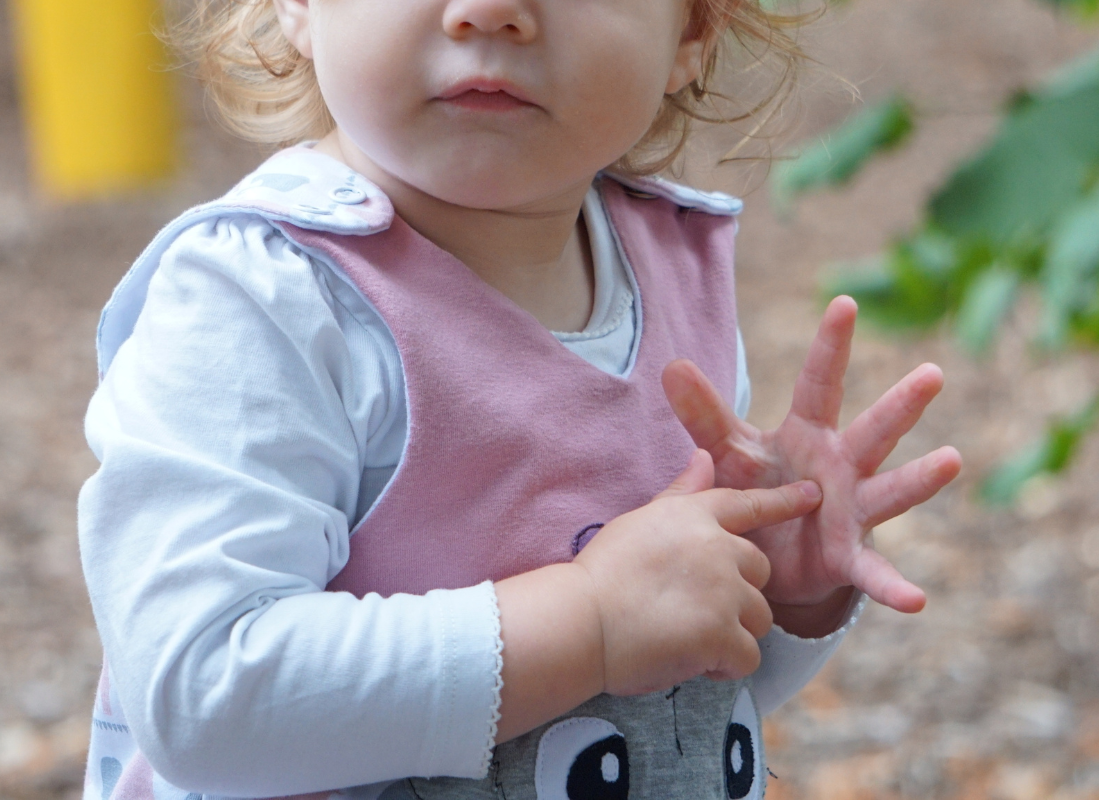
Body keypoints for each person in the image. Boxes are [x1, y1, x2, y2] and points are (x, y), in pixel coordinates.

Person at [77, 0, 963, 797]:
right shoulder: (266, 302)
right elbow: (202, 696)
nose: (492, 12)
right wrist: (590, 620)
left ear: (692, 30)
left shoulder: (671, 271)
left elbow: (665, 713)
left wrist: (779, 585)